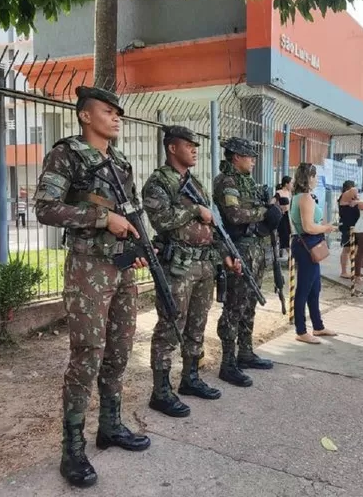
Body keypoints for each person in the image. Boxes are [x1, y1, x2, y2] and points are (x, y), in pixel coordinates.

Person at [34, 86, 151, 488]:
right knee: (87, 354)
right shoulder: (66, 154)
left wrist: (137, 248)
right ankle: (73, 448)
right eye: (108, 111)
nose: (117, 117)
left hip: (121, 269)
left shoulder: (119, 161)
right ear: (86, 116)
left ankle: (111, 425)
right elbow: (46, 209)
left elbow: (131, 214)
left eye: (119, 112)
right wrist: (102, 219)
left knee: (119, 351)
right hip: (88, 268)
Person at [141, 125, 241, 418]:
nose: (195, 149)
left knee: (197, 325)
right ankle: (160, 392)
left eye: (196, 145)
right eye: (189, 145)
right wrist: (195, 211)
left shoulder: (195, 183)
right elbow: (161, 220)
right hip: (178, 266)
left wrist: (226, 254)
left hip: (203, 264)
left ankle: (190, 378)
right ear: (172, 148)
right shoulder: (158, 183)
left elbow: (213, 226)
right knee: (171, 327)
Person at [212, 137, 284, 387]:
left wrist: (270, 209)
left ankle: (245, 351)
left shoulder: (247, 181)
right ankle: (228, 362)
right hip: (239, 249)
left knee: (249, 302)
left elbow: (255, 209)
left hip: (255, 247)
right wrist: (265, 212)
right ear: (235, 157)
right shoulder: (227, 182)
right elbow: (234, 215)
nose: (253, 160)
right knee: (234, 306)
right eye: (249, 156)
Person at [289, 163, 338, 343]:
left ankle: (318, 326)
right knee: (304, 289)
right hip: (306, 244)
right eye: (315, 176)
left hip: (305, 244)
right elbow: (309, 227)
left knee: (314, 288)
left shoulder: (302, 196)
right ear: (308, 178)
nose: (317, 179)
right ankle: (301, 330)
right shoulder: (305, 198)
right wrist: (326, 227)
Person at [337, 180, 360, 278]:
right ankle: (343, 271)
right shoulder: (343, 197)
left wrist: (356, 201)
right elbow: (354, 190)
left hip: (355, 226)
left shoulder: (352, 200)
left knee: (355, 249)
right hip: (347, 227)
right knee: (346, 249)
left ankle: (353, 270)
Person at [273, 176, 292, 259]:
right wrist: (280, 209)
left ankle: (291, 257)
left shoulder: (290, 193)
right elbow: (272, 202)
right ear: (286, 184)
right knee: (285, 235)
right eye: (291, 183)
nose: (292, 185)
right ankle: (291, 256)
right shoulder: (279, 192)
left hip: (290, 216)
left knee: (291, 235)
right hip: (283, 217)